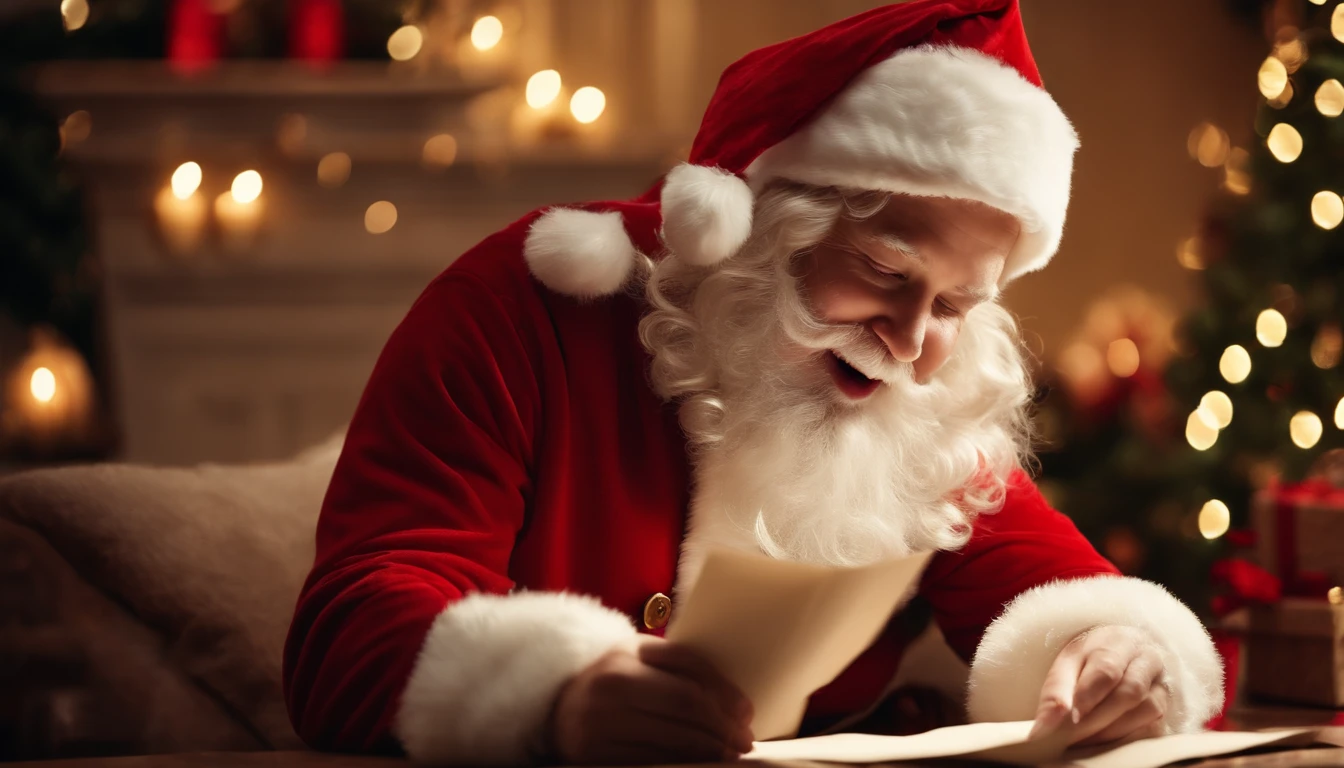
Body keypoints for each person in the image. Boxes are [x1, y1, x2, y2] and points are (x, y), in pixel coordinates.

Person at [283, 1, 1224, 765]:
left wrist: (1118, 656)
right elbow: (349, 633)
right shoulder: (521, 307)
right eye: (886, 274)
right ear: (758, 235)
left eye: (954, 305)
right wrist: (550, 697)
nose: (909, 343)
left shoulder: (934, 403)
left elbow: (1063, 594)